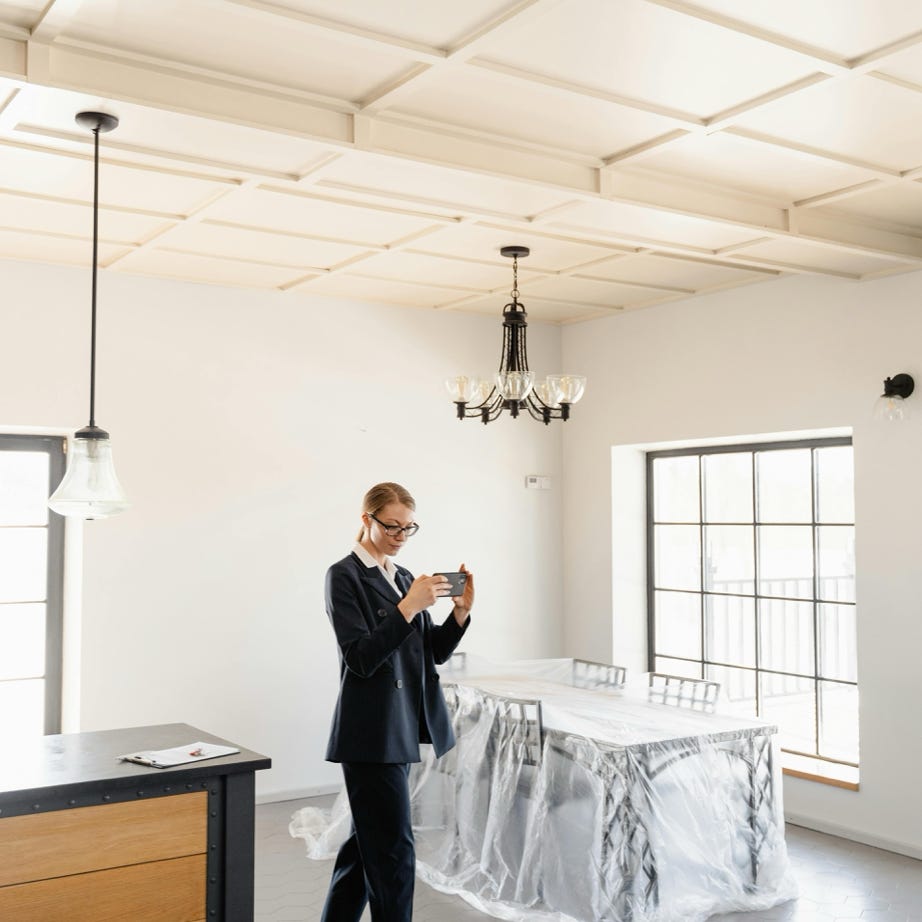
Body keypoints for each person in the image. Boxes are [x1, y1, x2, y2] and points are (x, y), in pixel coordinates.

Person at [321, 481, 473, 922]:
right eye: (391, 526)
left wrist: (458, 614)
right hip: (370, 732)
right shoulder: (344, 575)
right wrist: (407, 608)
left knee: (365, 846)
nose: (400, 536)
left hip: (400, 728)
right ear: (367, 520)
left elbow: (431, 653)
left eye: (408, 528)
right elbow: (361, 659)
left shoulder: (405, 578)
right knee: (393, 852)